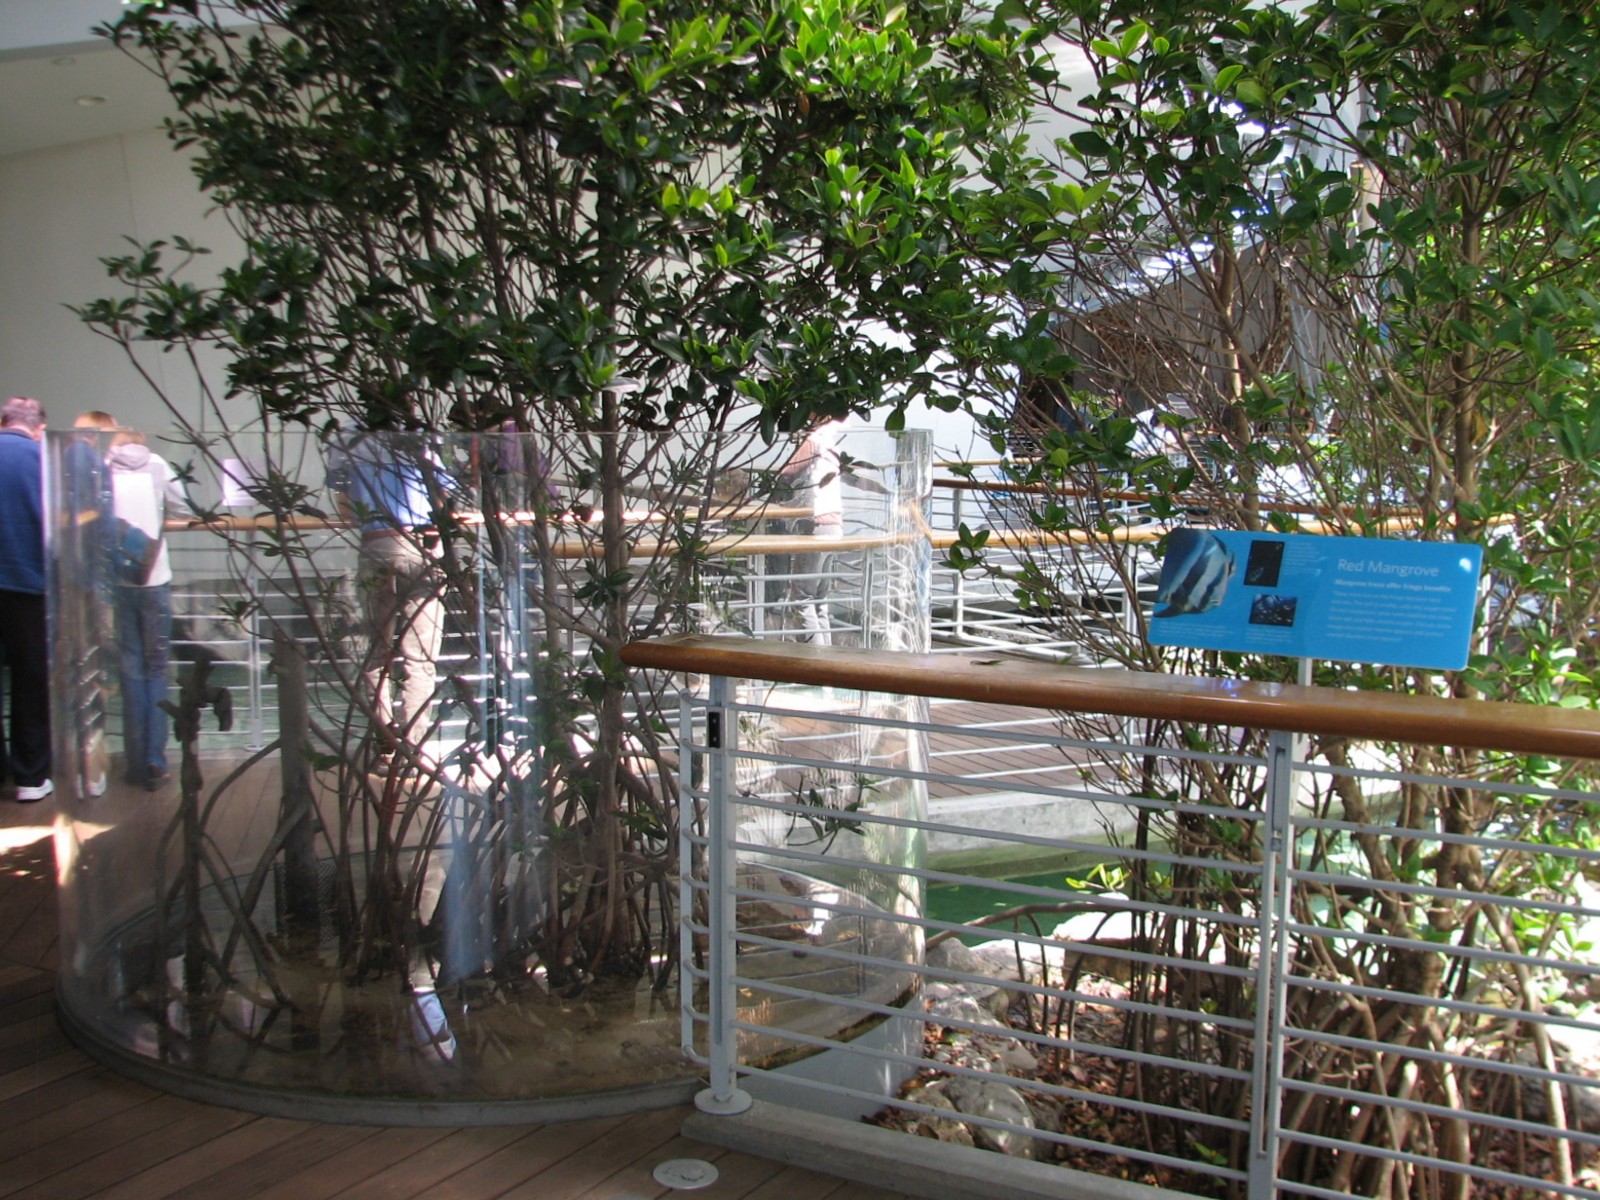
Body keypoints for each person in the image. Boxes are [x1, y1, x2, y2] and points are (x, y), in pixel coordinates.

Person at [326, 431, 451, 765]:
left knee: (375, 651)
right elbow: (442, 492)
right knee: (421, 656)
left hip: (375, 542)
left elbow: (344, 505)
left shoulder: (347, 437)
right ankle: (415, 749)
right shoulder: (417, 430)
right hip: (421, 545)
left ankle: (384, 744)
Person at [104, 423, 192, 790]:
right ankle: (156, 759)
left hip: (118, 579)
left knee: (130, 671)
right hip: (154, 577)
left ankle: (134, 759)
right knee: (157, 670)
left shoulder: (102, 468)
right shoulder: (157, 465)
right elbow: (181, 507)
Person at [0, 398, 51, 802]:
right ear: (38, 427)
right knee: (30, 680)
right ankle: (30, 777)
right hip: (29, 588)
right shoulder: (43, 460)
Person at [771, 417, 844, 646]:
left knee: (801, 598)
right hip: (835, 525)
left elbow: (787, 472)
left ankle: (814, 662)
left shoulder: (813, 441)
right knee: (818, 599)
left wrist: (774, 500)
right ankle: (827, 666)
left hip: (816, 525)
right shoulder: (832, 442)